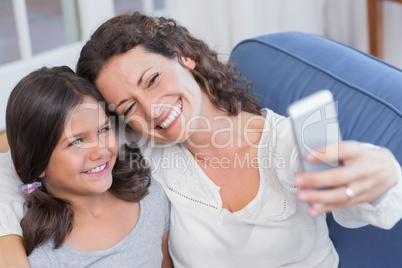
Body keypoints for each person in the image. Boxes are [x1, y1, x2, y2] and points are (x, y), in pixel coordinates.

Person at [0, 11, 401, 267]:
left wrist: (383, 172)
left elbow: (363, 190)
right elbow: (21, 158)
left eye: (153, 79)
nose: (152, 110)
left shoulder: (287, 145)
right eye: (127, 107)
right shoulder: (141, 146)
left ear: (182, 55)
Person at [3, 66, 172, 268]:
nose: (100, 151)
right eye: (76, 141)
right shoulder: (39, 257)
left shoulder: (150, 195)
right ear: (38, 160)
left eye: (103, 129)